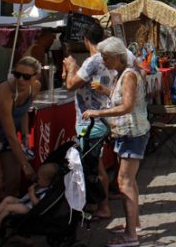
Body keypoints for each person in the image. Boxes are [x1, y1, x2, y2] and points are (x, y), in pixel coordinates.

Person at [82, 37, 150, 247]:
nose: (104, 62)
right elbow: (122, 98)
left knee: (124, 183)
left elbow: (127, 106)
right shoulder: (122, 74)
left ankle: (130, 235)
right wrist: (105, 92)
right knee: (128, 181)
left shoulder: (128, 74)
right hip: (127, 133)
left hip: (132, 132)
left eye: (106, 58)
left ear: (116, 57)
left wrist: (98, 111)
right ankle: (134, 224)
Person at [0, 56, 41, 228]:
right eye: (17, 74)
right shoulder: (6, 91)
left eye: (26, 77)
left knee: (13, 184)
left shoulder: (35, 87)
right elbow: (10, 135)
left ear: (35, 77)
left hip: (6, 138)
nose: (20, 80)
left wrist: (25, 134)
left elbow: (25, 111)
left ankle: (6, 231)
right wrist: (25, 165)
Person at [62, 22, 113, 219]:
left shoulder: (92, 62)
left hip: (90, 122)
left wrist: (71, 67)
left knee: (94, 167)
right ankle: (98, 203)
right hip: (101, 119)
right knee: (93, 165)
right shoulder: (106, 59)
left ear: (85, 40)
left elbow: (70, 86)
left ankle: (104, 206)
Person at [0, 163, 60, 237]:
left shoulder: (47, 192)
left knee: (9, 208)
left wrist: (32, 193)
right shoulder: (41, 186)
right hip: (26, 202)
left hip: (30, 209)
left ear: (47, 180)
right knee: (8, 199)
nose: (37, 180)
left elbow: (37, 206)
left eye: (39, 178)